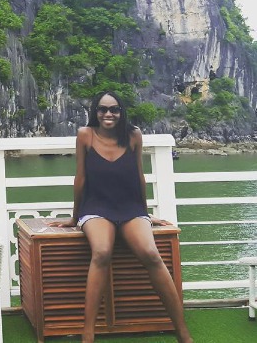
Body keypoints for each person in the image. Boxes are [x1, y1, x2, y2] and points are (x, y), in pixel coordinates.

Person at [48, 90, 193, 343]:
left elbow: (139, 175)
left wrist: (146, 213)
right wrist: (75, 217)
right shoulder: (85, 135)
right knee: (102, 252)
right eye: (102, 109)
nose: (108, 114)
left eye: (114, 109)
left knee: (151, 253)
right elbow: (80, 178)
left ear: (121, 111)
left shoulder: (133, 135)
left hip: (130, 207)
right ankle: (88, 333)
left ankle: (182, 332)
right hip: (96, 207)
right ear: (95, 111)